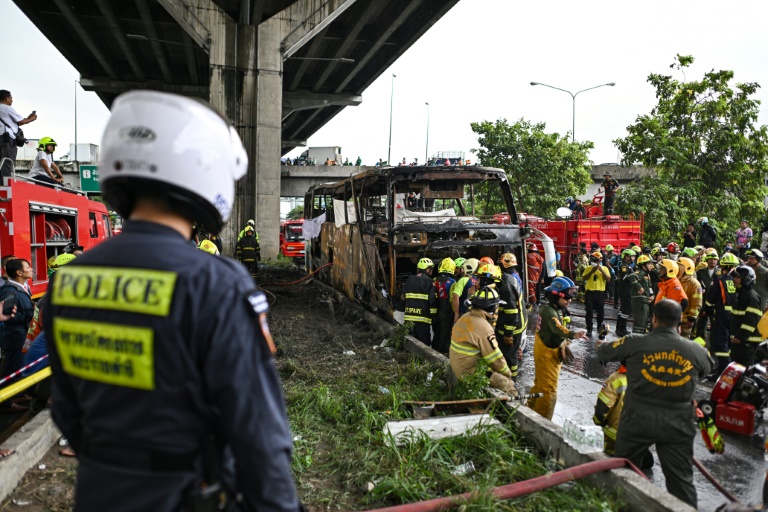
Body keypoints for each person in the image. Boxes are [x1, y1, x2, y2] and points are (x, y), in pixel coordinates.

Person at [43, 90, 301, 511]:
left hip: (99, 492)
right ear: (204, 170)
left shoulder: (69, 279)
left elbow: (66, 408)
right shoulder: (215, 283)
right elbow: (257, 434)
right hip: (184, 495)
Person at [596, 299, 712, 508]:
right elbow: (708, 368)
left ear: (654, 319)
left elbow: (604, 352)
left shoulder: (634, 342)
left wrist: (601, 345)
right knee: (681, 483)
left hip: (637, 420)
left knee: (623, 472)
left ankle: (618, 506)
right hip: (677, 424)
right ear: (679, 322)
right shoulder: (696, 350)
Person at [527, 276, 587, 420]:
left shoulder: (553, 308)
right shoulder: (548, 312)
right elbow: (557, 328)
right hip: (546, 355)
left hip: (548, 351)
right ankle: (541, 421)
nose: (569, 301)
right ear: (555, 296)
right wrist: (573, 334)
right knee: (548, 390)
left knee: (539, 384)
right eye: (567, 298)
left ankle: (529, 410)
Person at [449, 286, 518, 397]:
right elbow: (495, 358)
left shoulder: (465, 317)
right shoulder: (484, 328)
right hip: (467, 372)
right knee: (507, 385)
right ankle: (514, 409)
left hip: (458, 365)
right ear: (491, 309)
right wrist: (508, 375)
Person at [702, 252, 740, 378]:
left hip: (721, 315)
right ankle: (723, 368)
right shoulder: (737, 283)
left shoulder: (718, 281)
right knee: (728, 344)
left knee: (719, 343)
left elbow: (710, 301)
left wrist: (706, 311)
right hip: (734, 316)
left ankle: (723, 371)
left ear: (722, 266)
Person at [0, 258, 35, 386]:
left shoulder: (21, 287)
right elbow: (7, 315)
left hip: (20, 335)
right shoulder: (10, 290)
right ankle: (8, 401)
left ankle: (17, 397)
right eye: (27, 268)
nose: (31, 269)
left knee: (18, 367)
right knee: (12, 369)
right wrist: (31, 313)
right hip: (13, 337)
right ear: (19, 273)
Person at [496, 253, 525, 379]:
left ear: (504, 264)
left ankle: (511, 380)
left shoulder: (507, 283)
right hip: (518, 323)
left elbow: (511, 311)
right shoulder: (514, 276)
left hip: (513, 326)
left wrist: (508, 333)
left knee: (509, 355)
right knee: (511, 353)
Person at [729, 265, 762, 366]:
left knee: (742, 370)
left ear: (746, 279)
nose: (734, 279)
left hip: (747, 342)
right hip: (741, 340)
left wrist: (740, 337)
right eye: (734, 277)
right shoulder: (741, 294)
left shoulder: (751, 297)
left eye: (738, 277)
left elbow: (751, 320)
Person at [0, 90, 37, 178]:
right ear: (6, 98)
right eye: (11, 98)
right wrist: (32, 118)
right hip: (6, 139)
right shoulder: (6, 108)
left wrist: (27, 118)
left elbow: (15, 122)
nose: (12, 100)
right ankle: (5, 185)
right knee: (8, 163)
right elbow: (21, 121)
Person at [402, 257, 438, 346]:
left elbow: (403, 296)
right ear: (427, 269)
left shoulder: (410, 279)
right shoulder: (430, 281)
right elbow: (432, 299)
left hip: (409, 318)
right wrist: (433, 315)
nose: (432, 271)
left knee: (410, 344)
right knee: (424, 344)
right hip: (423, 319)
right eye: (431, 269)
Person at [582, 251, 611, 338]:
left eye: (597, 260)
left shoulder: (605, 268)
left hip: (600, 293)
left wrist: (601, 270)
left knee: (600, 312)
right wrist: (592, 271)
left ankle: (599, 327)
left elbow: (608, 279)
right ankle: (589, 329)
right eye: (594, 260)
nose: (596, 262)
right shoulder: (588, 268)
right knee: (589, 311)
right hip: (590, 292)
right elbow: (584, 278)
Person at [432, 258, 457, 354]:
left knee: (436, 332)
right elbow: (452, 298)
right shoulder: (453, 282)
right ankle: (443, 352)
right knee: (445, 333)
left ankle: (433, 349)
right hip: (447, 310)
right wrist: (456, 313)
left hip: (436, 309)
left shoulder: (434, 280)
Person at [677, 257, 703, 339]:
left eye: (680, 266)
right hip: (674, 319)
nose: (677, 267)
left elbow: (696, 304)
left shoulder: (694, 284)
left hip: (685, 321)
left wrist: (691, 319)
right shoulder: (676, 280)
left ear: (687, 268)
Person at [627, 254, 654, 334]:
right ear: (643, 265)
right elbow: (631, 277)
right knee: (640, 323)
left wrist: (652, 296)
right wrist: (639, 287)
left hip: (645, 301)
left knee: (644, 322)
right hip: (639, 302)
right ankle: (636, 340)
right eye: (649, 264)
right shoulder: (640, 272)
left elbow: (649, 286)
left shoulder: (647, 275)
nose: (651, 266)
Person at [615, 249, 636, 336]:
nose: (633, 258)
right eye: (632, 256)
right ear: (626, 257)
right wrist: (635, 274)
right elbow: (625, 277)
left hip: (626, 290)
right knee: (627, 309)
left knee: (623, 309)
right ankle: (622, 329)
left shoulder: (628, 266)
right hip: (625, 290)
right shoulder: (624, 266)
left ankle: (619, 327)